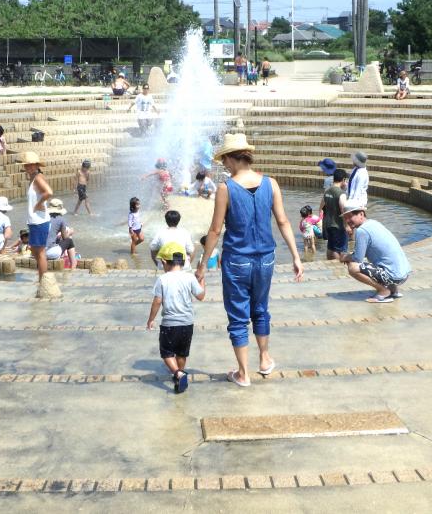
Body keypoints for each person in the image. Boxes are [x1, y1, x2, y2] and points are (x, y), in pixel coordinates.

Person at [197, 133, 304, 388]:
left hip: (237, 260)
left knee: (237, 316)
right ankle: (265, 359)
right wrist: (296, 257)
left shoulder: (226, 188)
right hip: (266, 259)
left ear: (233, 158)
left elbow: (215, 231)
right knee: (260, 308)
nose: (224, 164)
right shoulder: (271, 183)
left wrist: (202, 266)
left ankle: (243, 373)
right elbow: (283, 222)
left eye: (225, 159)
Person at [146, 242, 206, 394]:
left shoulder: (162, 279)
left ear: (165, 262)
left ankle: (178, 373)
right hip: (187, 323)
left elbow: (157, 301)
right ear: (184, 261)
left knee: (166, 353)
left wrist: (151, 319)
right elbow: (201, 296)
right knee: (181, 352)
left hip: (169, 324)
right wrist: (201, 279)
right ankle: (180, 373)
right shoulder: (189, 278)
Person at [341, 202, 411, 303]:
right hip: (404, 274)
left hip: (394, 276)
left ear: (361, 214)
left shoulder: (362, 231)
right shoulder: (373, 223)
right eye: (345, 218)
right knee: (380, 260)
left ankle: (383, 291)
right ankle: (393, 290)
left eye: (350, 216)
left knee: (353, 267)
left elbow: (358, 258)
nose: (347, 220)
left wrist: (344, 257)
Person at [19, 151, 53, 281]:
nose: (29, 167)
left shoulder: (38, 178)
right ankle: (42, 276)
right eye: (27, 165)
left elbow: (49, 192)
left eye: (31, 165)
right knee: (35, 250)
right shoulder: (33, 178)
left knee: (40, 253)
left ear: (37, 165)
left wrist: (39, 203)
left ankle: (43, 280)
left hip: (40, 221)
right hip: (35, 220)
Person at [319, 168, 348, 260]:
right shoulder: (341, 194)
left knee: (330, 247)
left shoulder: (327, 192)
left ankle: (329, 263)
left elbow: (321, 207)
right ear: (343, 180)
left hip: (328, 224)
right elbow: (344, 211)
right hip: (338, 225)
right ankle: (338, 266)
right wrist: (347, 225)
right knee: (338, 249)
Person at [46, 198, 77, 266]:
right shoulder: (60, 220)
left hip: (38, 252)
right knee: (69, 241)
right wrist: (70, 232)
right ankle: (73, 265)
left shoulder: (43, 218)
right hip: (50, 253)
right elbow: (65, 237)